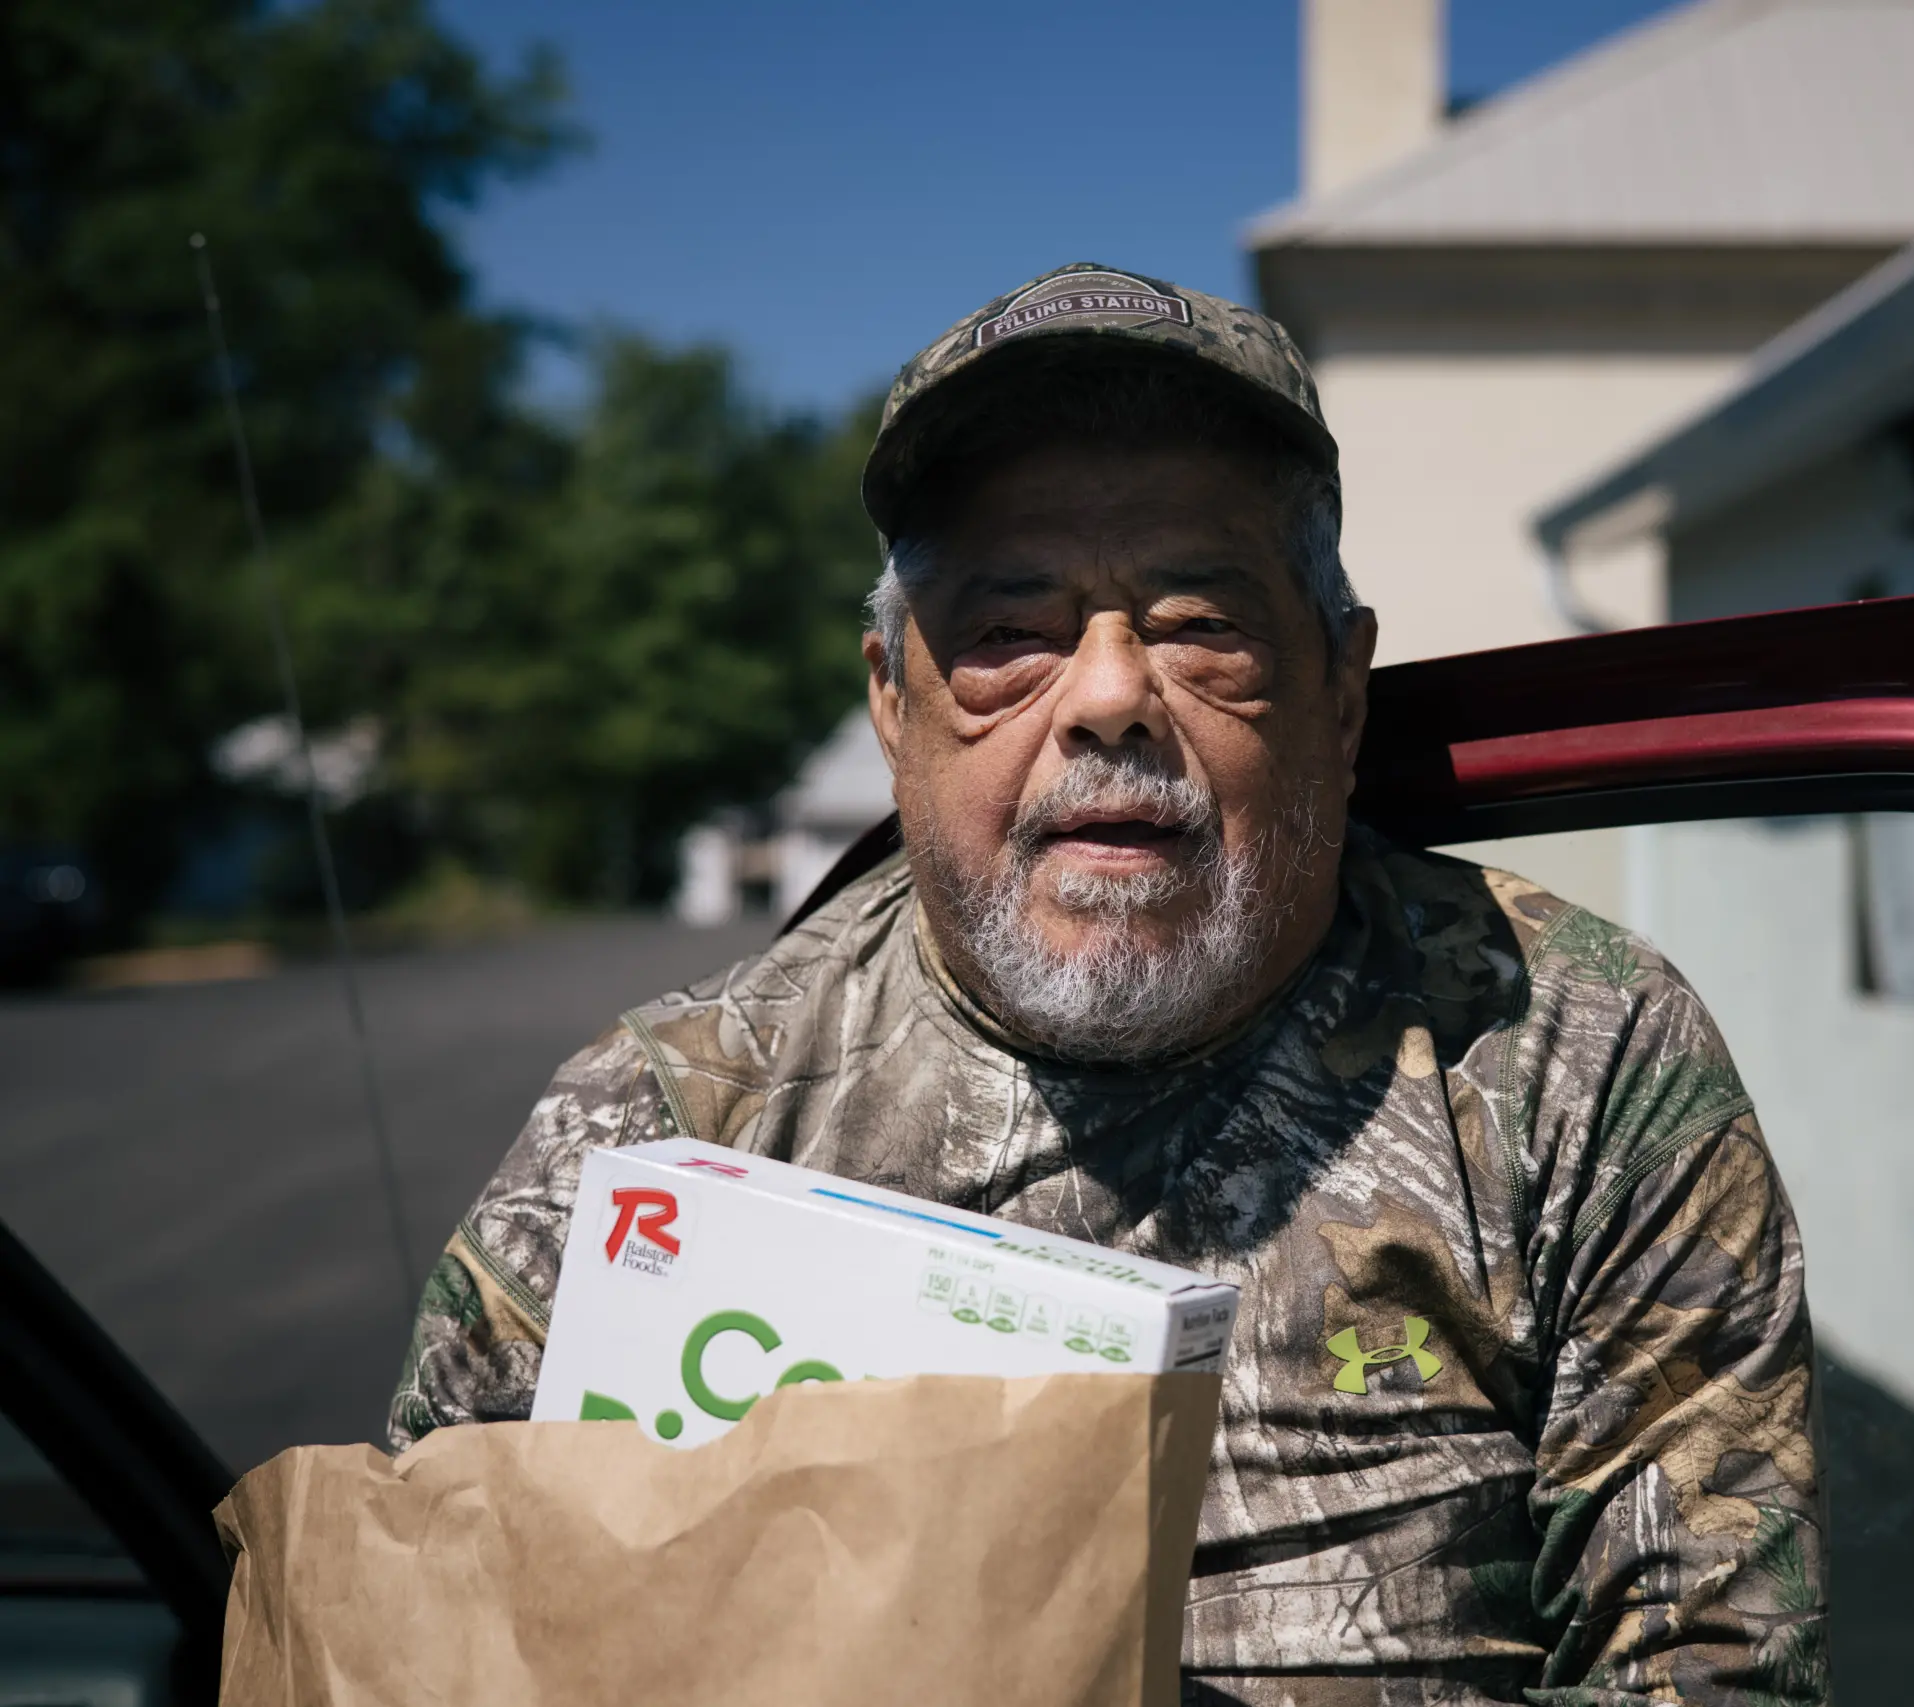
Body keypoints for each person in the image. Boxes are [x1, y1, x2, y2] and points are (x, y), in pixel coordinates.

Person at [390, 263, 1827, 1705]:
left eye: (1201, 621)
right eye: (1011, 632)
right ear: (893, 702)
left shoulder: (1577, 1062)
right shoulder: (658, 1128)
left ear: (1341, 685)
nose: (1106, 696)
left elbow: (1711, 1670)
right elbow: (424, 1640)